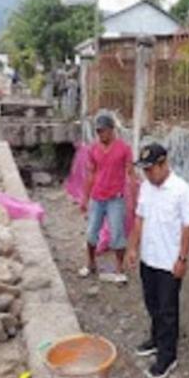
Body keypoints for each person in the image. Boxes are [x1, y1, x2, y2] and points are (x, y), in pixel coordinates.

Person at [127, 143, 189, 378]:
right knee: (152, 303)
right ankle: (156, 340)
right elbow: (139, 218)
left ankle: (168, 356)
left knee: (168, 311)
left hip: (169, 263)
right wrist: (133, 248)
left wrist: (182, 259)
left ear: (163, 164)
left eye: (150, 169)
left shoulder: (181, 190)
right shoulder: (146, 187)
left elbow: (188, 226)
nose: (147, 174)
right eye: (144, 170)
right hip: (149, 258)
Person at [80, 113, 135, 283]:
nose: (100, 134)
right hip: (97, 198)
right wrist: (85, 198)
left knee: (117, 235)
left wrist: (131, 197)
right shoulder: (93, 149)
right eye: (98, 131)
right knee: (91, 233)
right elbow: (90, 174)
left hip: (115, 198)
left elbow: (130, 173)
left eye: (103, 131)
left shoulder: (124, 149)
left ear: (112, 130)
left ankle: (119, 269)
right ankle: (90, 264)